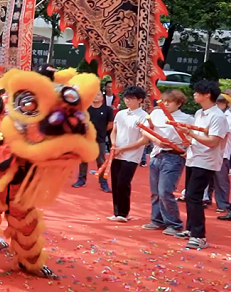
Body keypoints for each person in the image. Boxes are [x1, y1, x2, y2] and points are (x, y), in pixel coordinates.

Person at [173, 80, 229, 249]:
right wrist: (188, 141)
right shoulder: (199, 113)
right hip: (193, 157)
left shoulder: (218, 117)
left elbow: (212, 142)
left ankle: (199, 236)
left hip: (206, 160)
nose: (194, 94)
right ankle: (190, 229)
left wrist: (190, 134)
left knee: (194, 196)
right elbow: (198, 136)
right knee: (190, 195)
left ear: (207, 95)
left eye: (197, 92)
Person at [139, 89, 191, 234]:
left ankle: (174, 223)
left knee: (165, 191)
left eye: (170, 101)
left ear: (179, 103)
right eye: (164, 101)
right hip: (156, 154)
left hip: (174, 156)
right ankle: (157, 219)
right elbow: (145, 130)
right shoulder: (156, 113)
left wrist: (187, 147)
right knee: (155, 191)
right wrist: (156, 140)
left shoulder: (187, 119)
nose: (166, 104)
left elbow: (192, 137)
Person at [108, 86, 149, 222]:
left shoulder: (144, 117)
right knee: (115, 182)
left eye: (131, 98)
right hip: (117, 152)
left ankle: (123, 213)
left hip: (132, 155)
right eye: (126, 98)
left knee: (123, 182)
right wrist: (114, 144)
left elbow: (144, 139)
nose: (128, 101)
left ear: (140, 100)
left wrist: (123, 148)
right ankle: (117, 212)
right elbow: (114, 131)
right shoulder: (121, 114)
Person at [73, 90, 113, 192]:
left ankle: (103, 182)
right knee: (83, 160)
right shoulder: (85, 109)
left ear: (102, 97)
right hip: (86, 139)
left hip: (100, 139)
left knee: (101, 161)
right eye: (94, 94)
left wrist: (101, 131)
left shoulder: (107, 109)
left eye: (98, 94)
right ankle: (81, 180)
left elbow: (110, 124)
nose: (96, 96)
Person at [204, 94, 231, 210]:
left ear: (226, 104)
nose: (218, 104)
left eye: (221, 102)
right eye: (217, 102)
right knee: (206, 179)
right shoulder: (208, 114)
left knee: (221, 180)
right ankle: (206, 198)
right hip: (206, 151)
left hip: (222, 153)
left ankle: (223, 204)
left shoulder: (227, 117)